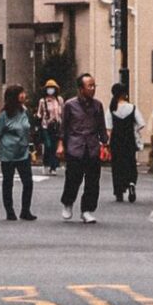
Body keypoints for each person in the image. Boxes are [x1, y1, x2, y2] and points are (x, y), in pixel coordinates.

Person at [58, 71, 109, 222]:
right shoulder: (70, 105)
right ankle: (68, 203)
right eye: (89, 86)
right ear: (81, 89)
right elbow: (64, 127)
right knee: (73, 178)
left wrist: (105, 143)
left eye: (94, 85)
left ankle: (87, 210)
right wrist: (60, 144)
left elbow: (101, 126)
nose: (93, 89)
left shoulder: (98, 105)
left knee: (93, 181)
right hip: (75, 146)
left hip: (92, 147)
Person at [0, 84, 36, 220]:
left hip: (23, 152)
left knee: (28, 182)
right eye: (20, 93)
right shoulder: (4, 115)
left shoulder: (25, 111)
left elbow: (28, 130)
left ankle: (25, 210)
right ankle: (9, 211)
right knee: (8, 182)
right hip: (8, 153)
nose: (23, 96)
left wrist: (31, 146)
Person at [107, 81, 141, 203]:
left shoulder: (111, 108)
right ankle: (131, 183)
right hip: (129, 139)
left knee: (117, 166)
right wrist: (134, 129)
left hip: (116, 140)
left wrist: (106, 143)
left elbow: (108, 128)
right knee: (131, 163)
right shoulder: (132, 108)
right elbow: (141, 123)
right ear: (125, 94)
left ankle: (119, 191)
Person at [37, 80, 65, 171]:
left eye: (52, 88)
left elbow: (62, 112)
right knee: (48, 145)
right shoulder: (42, 101)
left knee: (55, 146)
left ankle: (53, 167)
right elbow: (39, 114)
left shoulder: (59, 100)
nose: (51, 90)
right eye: (49, 88)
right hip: (46, 126)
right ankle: (46, 163)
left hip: (57, 126)